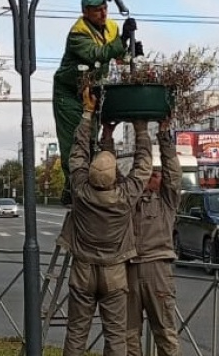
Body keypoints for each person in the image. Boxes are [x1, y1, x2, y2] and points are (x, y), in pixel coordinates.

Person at [60, 87, 152, 356]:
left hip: (83, 270)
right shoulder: (124, 197)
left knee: (76, 334)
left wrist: (88, 113)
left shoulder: (80, 190)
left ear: (90, 173)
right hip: (113, 272)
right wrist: (141, 129)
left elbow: (77, 154)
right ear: (114, 177)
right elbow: (143, 167)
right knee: (115, 336)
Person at [52, 0, 142, 206]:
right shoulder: (78, 33)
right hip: (69, 93)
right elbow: (97, 54)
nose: (103, 13)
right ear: (86, 12)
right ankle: (73, 189)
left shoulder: (111, 27)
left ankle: (89, 189)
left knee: (91, 139)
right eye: (97, 10)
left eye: (105, 8)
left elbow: (116, 57)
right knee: (74, 141)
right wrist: (122, 39)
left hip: (90, 90)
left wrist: (131, 51)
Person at [126, 119, 181, 356]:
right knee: (127, 336)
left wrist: (164, 135)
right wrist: (107, 138)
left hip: (157, 268)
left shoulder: (166, 200)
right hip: (128, 268)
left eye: (157, 174)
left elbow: (173, 173)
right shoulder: (128, 198)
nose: (154, 175)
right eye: (151, 172)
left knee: (165, 332)